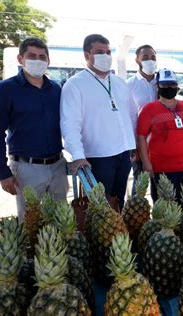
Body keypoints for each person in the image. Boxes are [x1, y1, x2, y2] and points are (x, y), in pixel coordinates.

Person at [0, 37, 68, 221]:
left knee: (61, 223)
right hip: (26, 170)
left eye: (42, 57)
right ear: (20, 59)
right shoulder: (5, 90)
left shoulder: (56, 90)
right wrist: (2, 171)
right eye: (32, 56)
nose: (37, 61)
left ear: (48, 61)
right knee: (30, 225)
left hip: (57, 167)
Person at [60, 34, 137, 209]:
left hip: (124, 154)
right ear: (87, 55)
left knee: (118, 203)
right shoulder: (75, 85)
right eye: (100, 52)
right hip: (98, 157)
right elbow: (70, 123)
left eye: (108, 52)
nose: (106, 56)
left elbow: (131, 115)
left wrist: (133, 145)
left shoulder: (119, 83)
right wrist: (78, 156)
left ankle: (119, 236)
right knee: (99, 209)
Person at [137, 68, 183, 201]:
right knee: (164, 210)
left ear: (177, 86)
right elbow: (141, 137)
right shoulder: (148, 110)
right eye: (165, 84)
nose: (169, 87)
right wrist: (146, 162)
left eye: (172, 84)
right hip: (162, 170)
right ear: (158, 86)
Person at [126, 44, 157, 194]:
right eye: (145, 57)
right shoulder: (129, 85)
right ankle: (137, 217)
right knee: (139, 187)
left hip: (160, 142)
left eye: (153, 57)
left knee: (161, 185)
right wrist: (133, 145)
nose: (150, 60)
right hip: (139, 142)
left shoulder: (163, 82)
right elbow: (127, 117)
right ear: (137, 60)